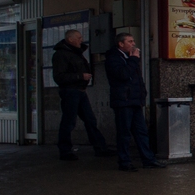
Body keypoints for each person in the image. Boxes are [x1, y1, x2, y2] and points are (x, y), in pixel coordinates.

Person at [104, 33, 164, 172]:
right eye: (130, 41)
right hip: (123, 100)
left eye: (133, 41)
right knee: (124, 132)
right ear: (121, 44)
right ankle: (124, 161)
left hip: (134, 100)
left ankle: (148, 159)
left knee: (141, 131)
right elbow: (124, 75)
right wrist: (133, 60)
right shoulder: (114, 58)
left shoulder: (129, 58)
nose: (133, 44)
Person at [51, 29, 112, 161]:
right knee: (69, 121)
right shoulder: (61, 55)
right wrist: (80, 76)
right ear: (70, 39)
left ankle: (100, 147)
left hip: (80, 91)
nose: (81, 40)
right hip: (70, 91)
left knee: (90, 120)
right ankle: (65, 150)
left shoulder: (76, 53)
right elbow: (59, 77)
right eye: (78, 37)